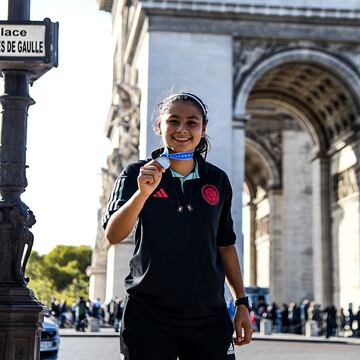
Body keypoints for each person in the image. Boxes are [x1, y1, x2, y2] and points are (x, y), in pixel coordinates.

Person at [103, 92, 252, 360]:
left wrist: (241, 302)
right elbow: (114, 234)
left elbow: (226, 245)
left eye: (192, 122)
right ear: (158, 126)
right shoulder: (135, 173)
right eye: (173, 121)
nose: (182, 129)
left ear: (203, 129)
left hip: (210, 315)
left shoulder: (218, 180)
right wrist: (142, 194)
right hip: (148, 316)